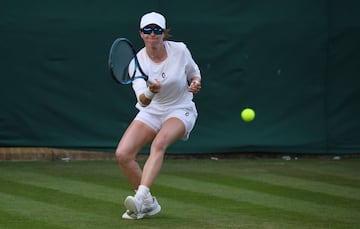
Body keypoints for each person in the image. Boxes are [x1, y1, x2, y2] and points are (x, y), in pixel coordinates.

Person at [115, 11, 202, 220]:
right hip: (152, 110)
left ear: (164, 33)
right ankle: (148, 205)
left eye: (157, 30)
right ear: (141, 34)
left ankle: (140, 197)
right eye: (148, 30)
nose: (152, 34)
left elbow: (194, 72)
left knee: (159, 143)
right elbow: (142, 101)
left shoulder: (180, 50)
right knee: (123, 154)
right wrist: (151, 91)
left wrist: (196, 82)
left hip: (181, 108)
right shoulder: (136, 64)